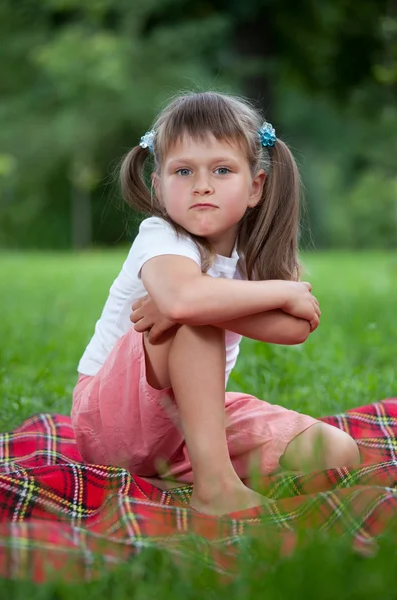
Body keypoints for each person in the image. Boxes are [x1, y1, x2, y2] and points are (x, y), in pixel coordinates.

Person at [71, 91, 360, 516]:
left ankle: (169, 477)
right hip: (109, 420)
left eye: (222, 170)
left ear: (255, 187)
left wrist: (217, 302)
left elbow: (294, 329)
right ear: (159, 186)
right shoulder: (161, 237)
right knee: (194, 316)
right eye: (183, 171)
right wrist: (282, 292)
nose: (202, 185)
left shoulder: (249, 254)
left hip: (186, 424)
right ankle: (216, 488)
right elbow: (187, 300)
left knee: (336, 452)